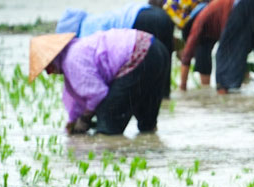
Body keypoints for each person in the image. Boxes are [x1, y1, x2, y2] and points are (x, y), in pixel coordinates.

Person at [28, 29, 169, 135]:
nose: (51, 73)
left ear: (53, 61)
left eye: (48, 69)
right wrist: (74, 120)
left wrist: (85, 119)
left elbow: (98, 94)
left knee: (108, 119)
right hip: (156, 48)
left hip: (139, 55)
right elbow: (80, 99)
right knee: (147, 124)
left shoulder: (72, 60)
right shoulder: (76, 49)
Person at [149, 0, 247, 87]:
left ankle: (206, 88)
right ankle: (245, 78)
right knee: (233, 38)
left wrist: (184, 54)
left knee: (202, 42)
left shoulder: (169, 7)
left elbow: (191, 34)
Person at [55, 2, 175, 98]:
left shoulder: (85, 34)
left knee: (145, 67)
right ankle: (164, 97)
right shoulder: (93, 19)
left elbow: (99, 62)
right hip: (158, 14)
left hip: (140, 21)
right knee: (163, 64)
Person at [179, 0, 254, 94]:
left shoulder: (200, 19)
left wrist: (182, 87)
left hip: (245, 0)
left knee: (224, 53)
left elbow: (186, 56)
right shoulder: (217, 10)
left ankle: (223, 94)